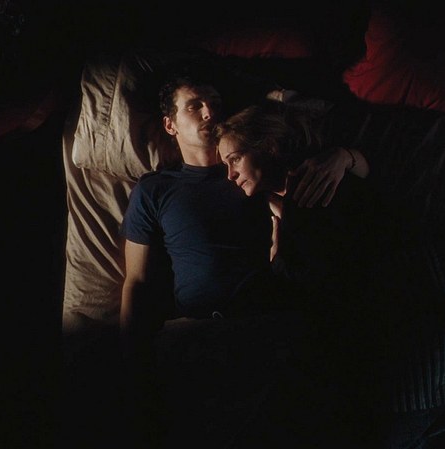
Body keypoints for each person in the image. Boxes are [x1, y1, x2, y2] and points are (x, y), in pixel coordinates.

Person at [118, 68, 370, 448]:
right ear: (170, 125)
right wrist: (129, 360)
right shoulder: (156, 189)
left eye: (215, 103)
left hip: (271, 321)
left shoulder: (254, 169)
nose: (209, 112)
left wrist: (344, 156)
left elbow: (348, 177)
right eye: (195, 106)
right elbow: (137, 281)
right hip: (201, 332)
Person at [215, 100, 401, 447]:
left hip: (357, 341)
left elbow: (319, 286)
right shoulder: (268, 206)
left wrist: (346, 157)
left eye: (234, 159)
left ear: (269, 146)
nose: (230, 174)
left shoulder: (318, 189)